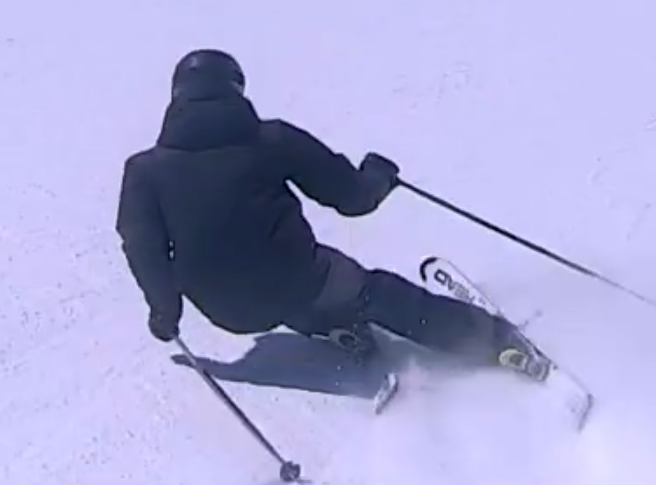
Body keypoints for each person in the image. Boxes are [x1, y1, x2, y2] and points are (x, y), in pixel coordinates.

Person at [115, 48, 547, 380]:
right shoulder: (273, 141)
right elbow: (352, 197)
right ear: (237, 90)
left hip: (225, 309)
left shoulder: (144, 169)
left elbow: (143, 247)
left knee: (277, 290)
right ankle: (495, 342)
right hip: (298, 279)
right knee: (371, 292)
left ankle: (337, 329)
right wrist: (378, 175)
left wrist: (164, 311)